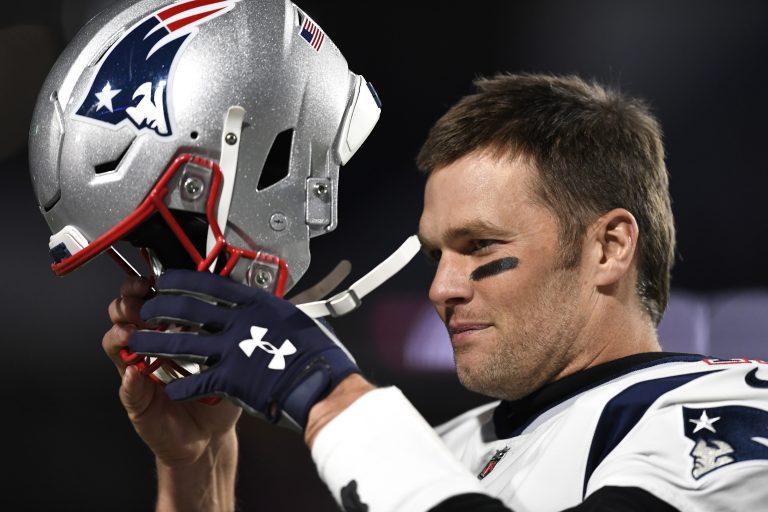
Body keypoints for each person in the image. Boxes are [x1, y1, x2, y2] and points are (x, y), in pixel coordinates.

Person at [102, 72, 768, 512]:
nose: (442, 289)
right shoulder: (442, 453)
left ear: (608, 248)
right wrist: (199, 471)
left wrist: (326, 393)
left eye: (480, 247)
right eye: (435, 254)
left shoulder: (728, 411)